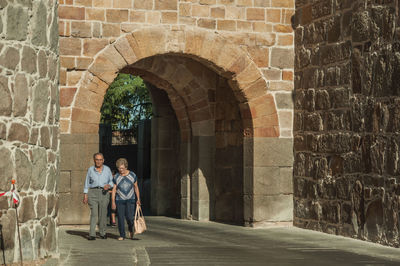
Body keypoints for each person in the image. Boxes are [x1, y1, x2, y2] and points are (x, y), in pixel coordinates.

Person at [83, 153, 114, 240]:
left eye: (100, 160)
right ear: (94, 160)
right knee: (94, 214)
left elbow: (112, 181)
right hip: (93, 193)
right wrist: (85, 195)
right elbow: (86, 183)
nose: (98, 161)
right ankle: (92, 234)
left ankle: (102, 232)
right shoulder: (90, 170)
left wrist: (108, 185)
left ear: (103, 160)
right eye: (97, 159)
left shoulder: (107, 169)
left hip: (104, 193)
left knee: (103, 214)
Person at [111, 158, 141, 240]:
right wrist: (113, 201)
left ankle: (131, 230)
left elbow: (136, 187)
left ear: (126, 167)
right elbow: (114, 190)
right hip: (119, 200)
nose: (121, 170)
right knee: (120, 218)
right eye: (119, 168)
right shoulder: (116, 176)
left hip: (131, 199)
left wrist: (138, 199)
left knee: (130, 217)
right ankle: (122, 235)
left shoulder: (132, 175)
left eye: (122, 168)